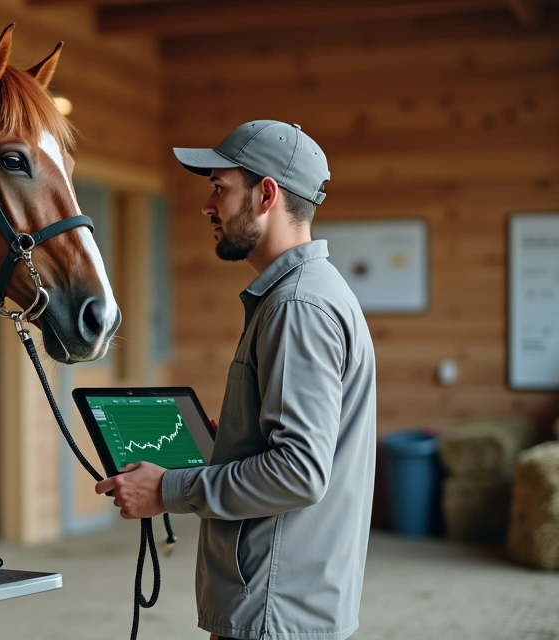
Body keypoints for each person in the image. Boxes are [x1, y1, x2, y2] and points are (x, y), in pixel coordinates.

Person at [95, 120, 377, 640]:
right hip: (285, 602)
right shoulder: (308, 293)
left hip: (274, 609)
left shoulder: (298, 306)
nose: (207, 206)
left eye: (220, 188)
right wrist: (235, 433)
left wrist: (168, 488)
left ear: (266, 194)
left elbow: (299, 472)